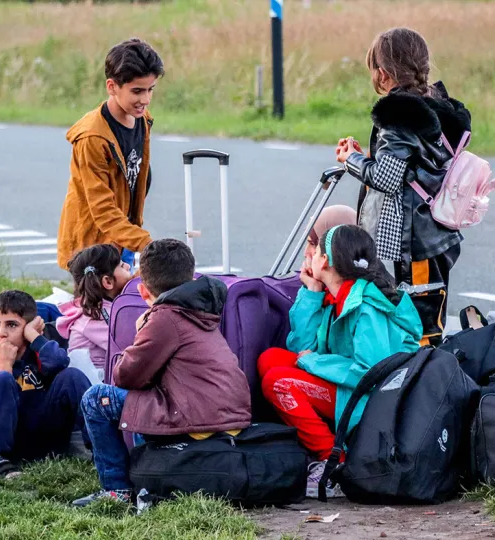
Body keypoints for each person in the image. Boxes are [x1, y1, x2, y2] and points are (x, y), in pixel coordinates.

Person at [74, 238, 251, 507]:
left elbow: (125, 377)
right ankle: (147, 473)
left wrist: (140, 331)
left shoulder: (164, 318)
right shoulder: (202, 308)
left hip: (196, 417)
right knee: (144, 399)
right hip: (228, 413)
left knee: (96, 399)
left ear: (143, 291)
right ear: (191, 276)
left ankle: (116, 489)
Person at [258, 225, 422, 498]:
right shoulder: (337, 295)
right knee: (270, 359)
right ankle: (323, 447)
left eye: (315, 251)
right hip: (350, 385)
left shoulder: (366, 306)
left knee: (278, 383)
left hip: (374, 400)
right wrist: (312, 292)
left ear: (325, 261)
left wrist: (314, 363)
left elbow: (372, 373)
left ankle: (334, 463)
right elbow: (301, 348)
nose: (309, 256)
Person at [336, 27, 472, 346]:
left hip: (419, 238)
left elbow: (386, 178)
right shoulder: (436, 108)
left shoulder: (399, 117)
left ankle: (423, 374)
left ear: (383, 74)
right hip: (438, 229)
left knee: (420, 326)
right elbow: (414, 163)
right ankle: (427, 369)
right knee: (429, 313)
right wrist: (369, 157)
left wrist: (350, 159)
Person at [57, 38, 164, 271]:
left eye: (150, 89)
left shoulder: (141, 118)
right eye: (137, 91)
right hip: (92, 250)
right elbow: (102, 210)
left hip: (123, 237)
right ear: (112, 86)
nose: (145, 100)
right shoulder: (92, 137)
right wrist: (147, 244)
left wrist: (133, 238)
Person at [0, 290, 92, 479]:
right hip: (12, 441)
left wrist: (34, 337)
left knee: (72, 376)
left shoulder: (36, 354)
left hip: (49, 436)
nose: (1, 333)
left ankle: (101, 447)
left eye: (12, 325)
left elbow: (60, 362)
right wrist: (5, 366)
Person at [56, 244, 133, 371]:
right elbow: (130, 349)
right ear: (108, 281)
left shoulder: (102, 306)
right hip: (95, 379)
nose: (128, 266)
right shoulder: (94, 317)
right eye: (121, 265)